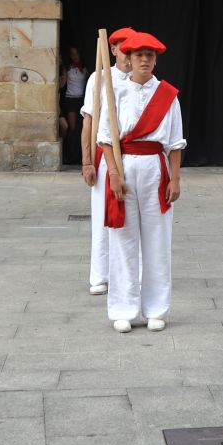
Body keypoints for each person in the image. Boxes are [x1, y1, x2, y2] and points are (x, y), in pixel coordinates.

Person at [97, 33, 185, 332]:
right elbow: (106, 139)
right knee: (123, 239)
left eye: (149, 55)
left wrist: (175, 178)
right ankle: (123, 307)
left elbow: (174, 143)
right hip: (125, 167)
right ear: (129, 59)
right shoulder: (115, 92)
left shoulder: (168, 95)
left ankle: (156, 308)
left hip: (155, 170)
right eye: (138, 55)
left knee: (157, 240)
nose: (144, 60)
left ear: (156, 59)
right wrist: (113, 174)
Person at [80, 28, 136, 294]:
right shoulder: (99, 78)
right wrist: (86, 161)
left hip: (136, 157)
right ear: (113, 50)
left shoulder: (144, 79)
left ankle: (129, 272)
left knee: (133, 216)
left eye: (132, 48)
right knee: (103, 215)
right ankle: (100, 275)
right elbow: (88, 121)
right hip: (105, 154)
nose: (128, 54)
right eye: (123, 48)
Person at [60, 45, 88, 145]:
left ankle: (78, 151)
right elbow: (62, 84)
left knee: (82, 127)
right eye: (72, 54)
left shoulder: (85, 67)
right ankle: (68, 149)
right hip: (70, 99)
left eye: (76, 53)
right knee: (72, 127)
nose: (75, 56)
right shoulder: (67, 68)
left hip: (82, 100)